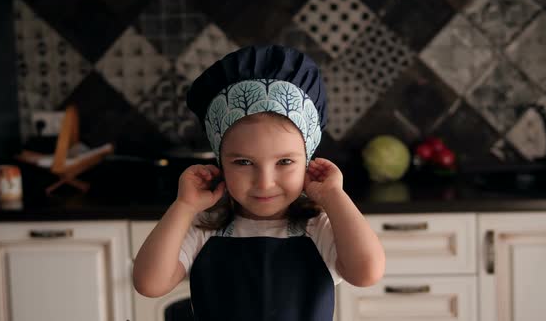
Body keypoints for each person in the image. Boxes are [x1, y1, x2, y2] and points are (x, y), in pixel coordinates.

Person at [133, 44, 385, 320]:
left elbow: (367, 273)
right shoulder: (204, 227)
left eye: (285, 162)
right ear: (220, 163)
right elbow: (149, 284)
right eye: (243, 162)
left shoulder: (317, 227)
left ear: (308, 162)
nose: (264, 183)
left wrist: (334, 196)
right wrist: (184, 206)